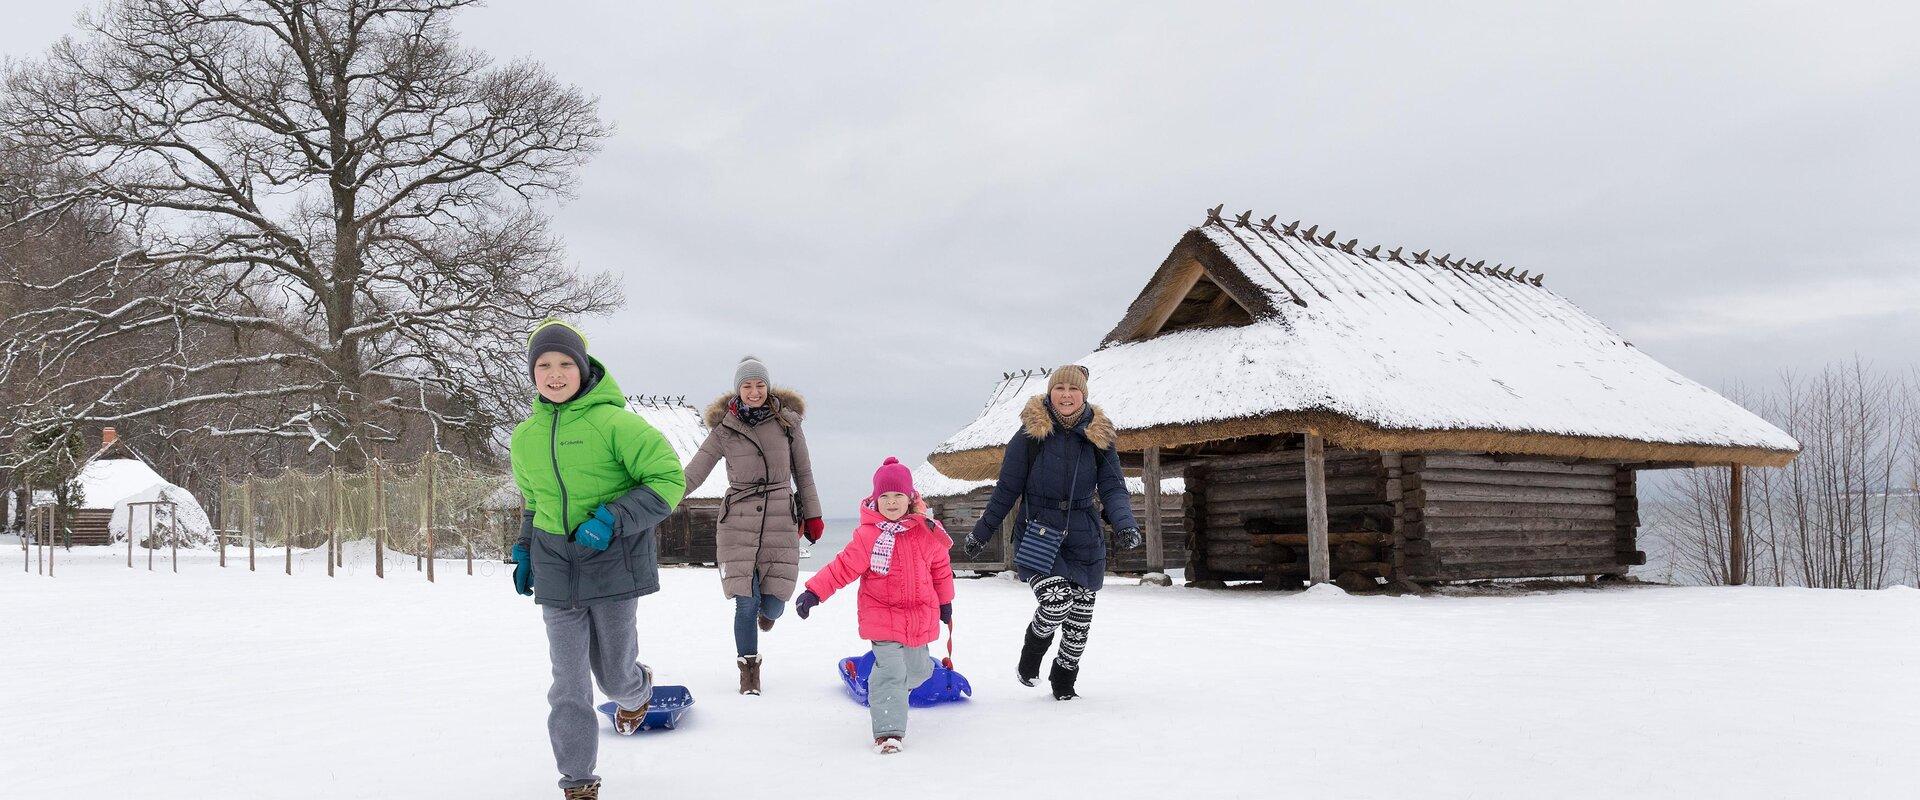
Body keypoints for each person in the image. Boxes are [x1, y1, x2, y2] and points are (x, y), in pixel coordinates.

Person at [509, 320, 688, 799]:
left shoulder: (617, 423)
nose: (554, 373)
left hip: (612, 563)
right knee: (567, 683)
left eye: (565, 363)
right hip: (554, 565)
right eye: (543, 365)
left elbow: (669, 480)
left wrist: (612, 517)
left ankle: (639, 689)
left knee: (615, 679)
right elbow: (533, 501)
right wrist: (525, 546)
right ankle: (578, 781)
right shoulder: (524, 437)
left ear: (583, 369)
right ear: (532, 373)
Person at [962, 364, 1141, 700]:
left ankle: (1063, 684)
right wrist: (981, 533)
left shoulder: (1099, 437)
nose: (1066, 395)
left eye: (1073, 390)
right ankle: (1032, 653)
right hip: (1040, 533)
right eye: (1059, 388)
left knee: (1079, 621)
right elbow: (1006, 490)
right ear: (1050, 393)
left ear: (1083, 395)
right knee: (1056, 602)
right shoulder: (1031, 435)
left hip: (1084, 535)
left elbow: (1114, 488)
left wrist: (1125, 524)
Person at [682, 355, 824, 694]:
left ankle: (769, 612)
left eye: (760, 385)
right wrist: (661, 495)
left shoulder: (788, 424)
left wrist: (813, 513)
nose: (754, 391)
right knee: (745, 600)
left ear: (768, 386)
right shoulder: (725, 429)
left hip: (778, 515)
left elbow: (802, 472)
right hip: (739, 519)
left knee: (775, 599)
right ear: (738, 389)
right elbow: (695, 471)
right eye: (747, 386)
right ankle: (749, 670)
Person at [795, 457, 956, 754]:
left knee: (920, 671)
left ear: (910, 498)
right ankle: (888, 732)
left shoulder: (926, 531)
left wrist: (945, 602)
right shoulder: (869, 535)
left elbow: (941, 569)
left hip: (919, 615)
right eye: (884, 496)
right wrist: (814, 592)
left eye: (898, 496)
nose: (891, 502)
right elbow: (842, 567)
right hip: (881, 614)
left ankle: (887, 690)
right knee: (892, 671)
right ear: (875, 499)